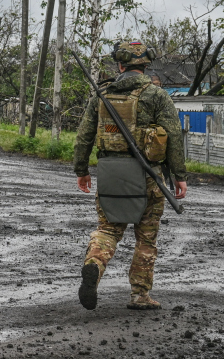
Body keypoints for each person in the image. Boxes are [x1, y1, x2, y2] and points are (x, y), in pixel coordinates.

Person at [73, 41, 187, 311]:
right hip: (148, 176)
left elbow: (84, 136)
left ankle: (94, 266)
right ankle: (139, 295)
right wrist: (180, 176)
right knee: (146, 238)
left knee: (108, 230)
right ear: (145, 65)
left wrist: (81, 170)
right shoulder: (157, 95)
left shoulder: (102, 95)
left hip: (110, 172)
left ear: (120, 65)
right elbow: (173, 137)